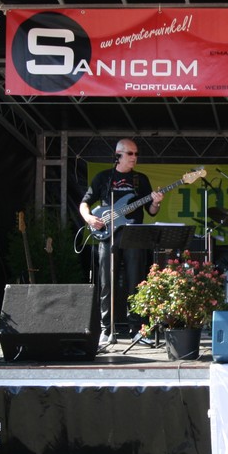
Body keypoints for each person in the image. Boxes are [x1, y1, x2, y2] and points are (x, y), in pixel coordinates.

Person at [79, 138, 164, 345]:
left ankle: (137, 330)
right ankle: (106, 329)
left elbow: (151, 211)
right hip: (108, 235)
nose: (134, 157)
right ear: (118, 155)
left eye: (136, 154)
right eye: (130, 153)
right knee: (107, 283)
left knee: (136, 282)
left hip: (134, 235)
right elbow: (85, 203)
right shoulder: (103, 178)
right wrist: (89, 218)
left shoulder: (140, 180)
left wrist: (156, 203)